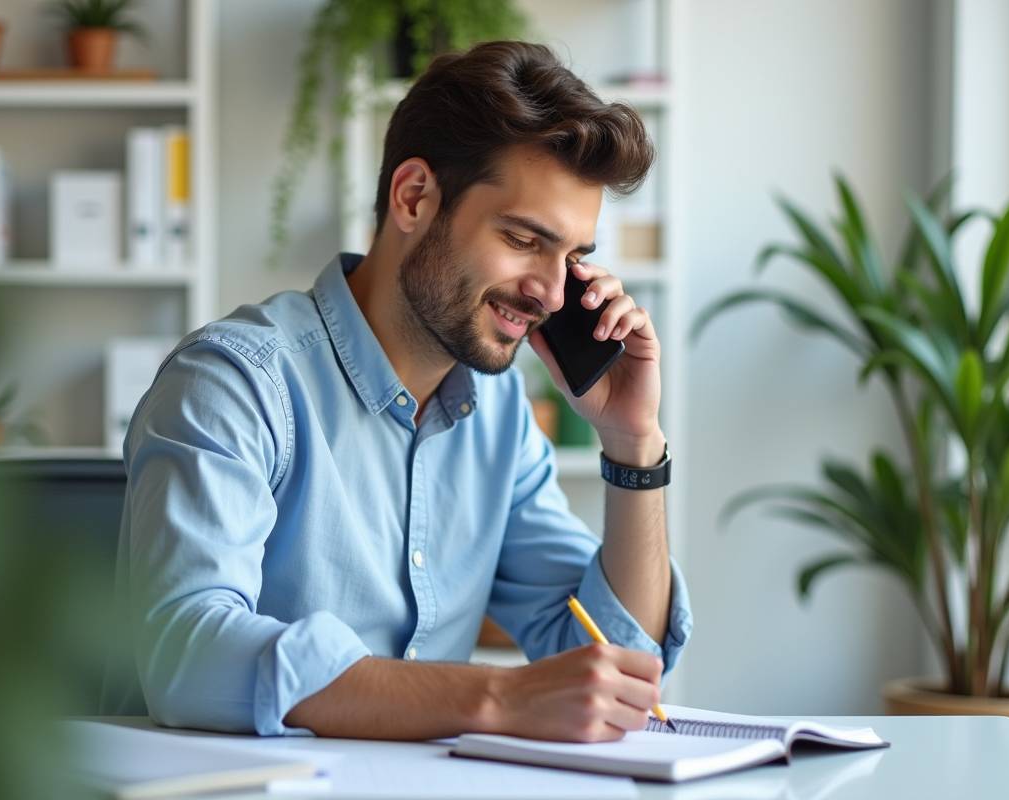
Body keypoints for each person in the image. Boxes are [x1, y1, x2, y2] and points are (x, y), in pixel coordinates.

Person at [104, 40, 691, 742]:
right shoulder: (232, 384)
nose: (553, 293)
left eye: (573, 257)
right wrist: (494, 699)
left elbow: (616, 664)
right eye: (523, 239)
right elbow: (189, 655)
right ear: (414, 198)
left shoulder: (497, 415)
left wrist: (633, 444)